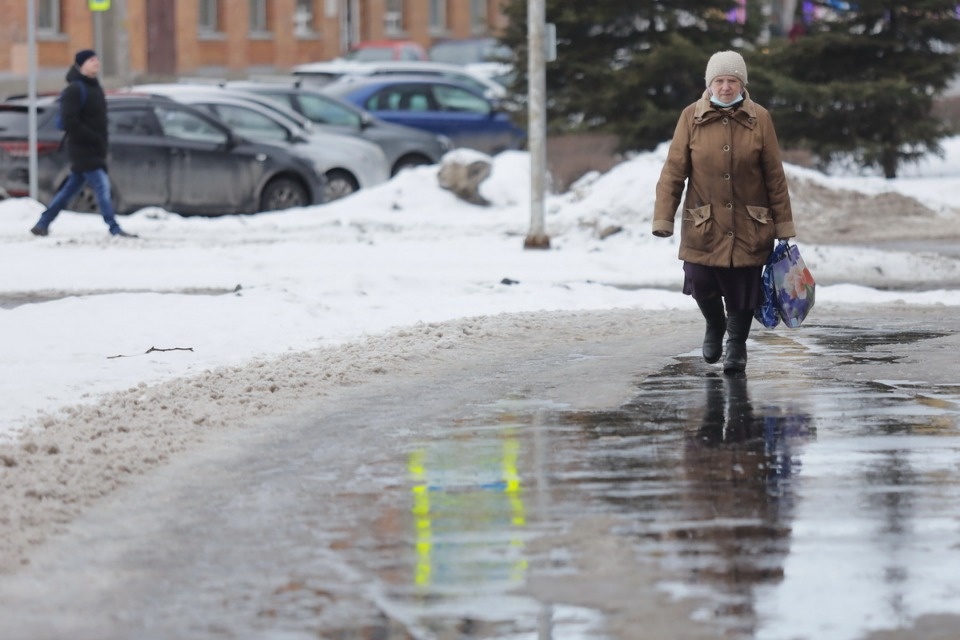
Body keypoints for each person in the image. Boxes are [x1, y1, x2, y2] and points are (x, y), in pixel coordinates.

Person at [652, 50, 795, 375]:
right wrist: (664, 217)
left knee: (742, 287)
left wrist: (783, 224)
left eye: (732, 80)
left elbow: (774, 175)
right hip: (704, 221)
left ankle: (737, 347)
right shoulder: (691, 117)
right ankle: (714, 324)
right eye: (720, 80)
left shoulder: (760, 118)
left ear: (742, 83)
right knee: (700, 280)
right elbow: (674, 171)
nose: (726, 87)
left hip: (750, 221)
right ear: (710, 83)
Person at [30, 49, 137, 238]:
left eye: (97, 59)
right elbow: (70, 121)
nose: (96, 62)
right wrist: (92, 138)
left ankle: (42, 224)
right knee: (103, 187)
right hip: (83, 149)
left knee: (69, 190)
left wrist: (100, 142)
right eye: (91, 60)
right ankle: (114, 227)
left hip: (95, 148)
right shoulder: (75, 89)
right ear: (81, 64)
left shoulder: (95, 87)